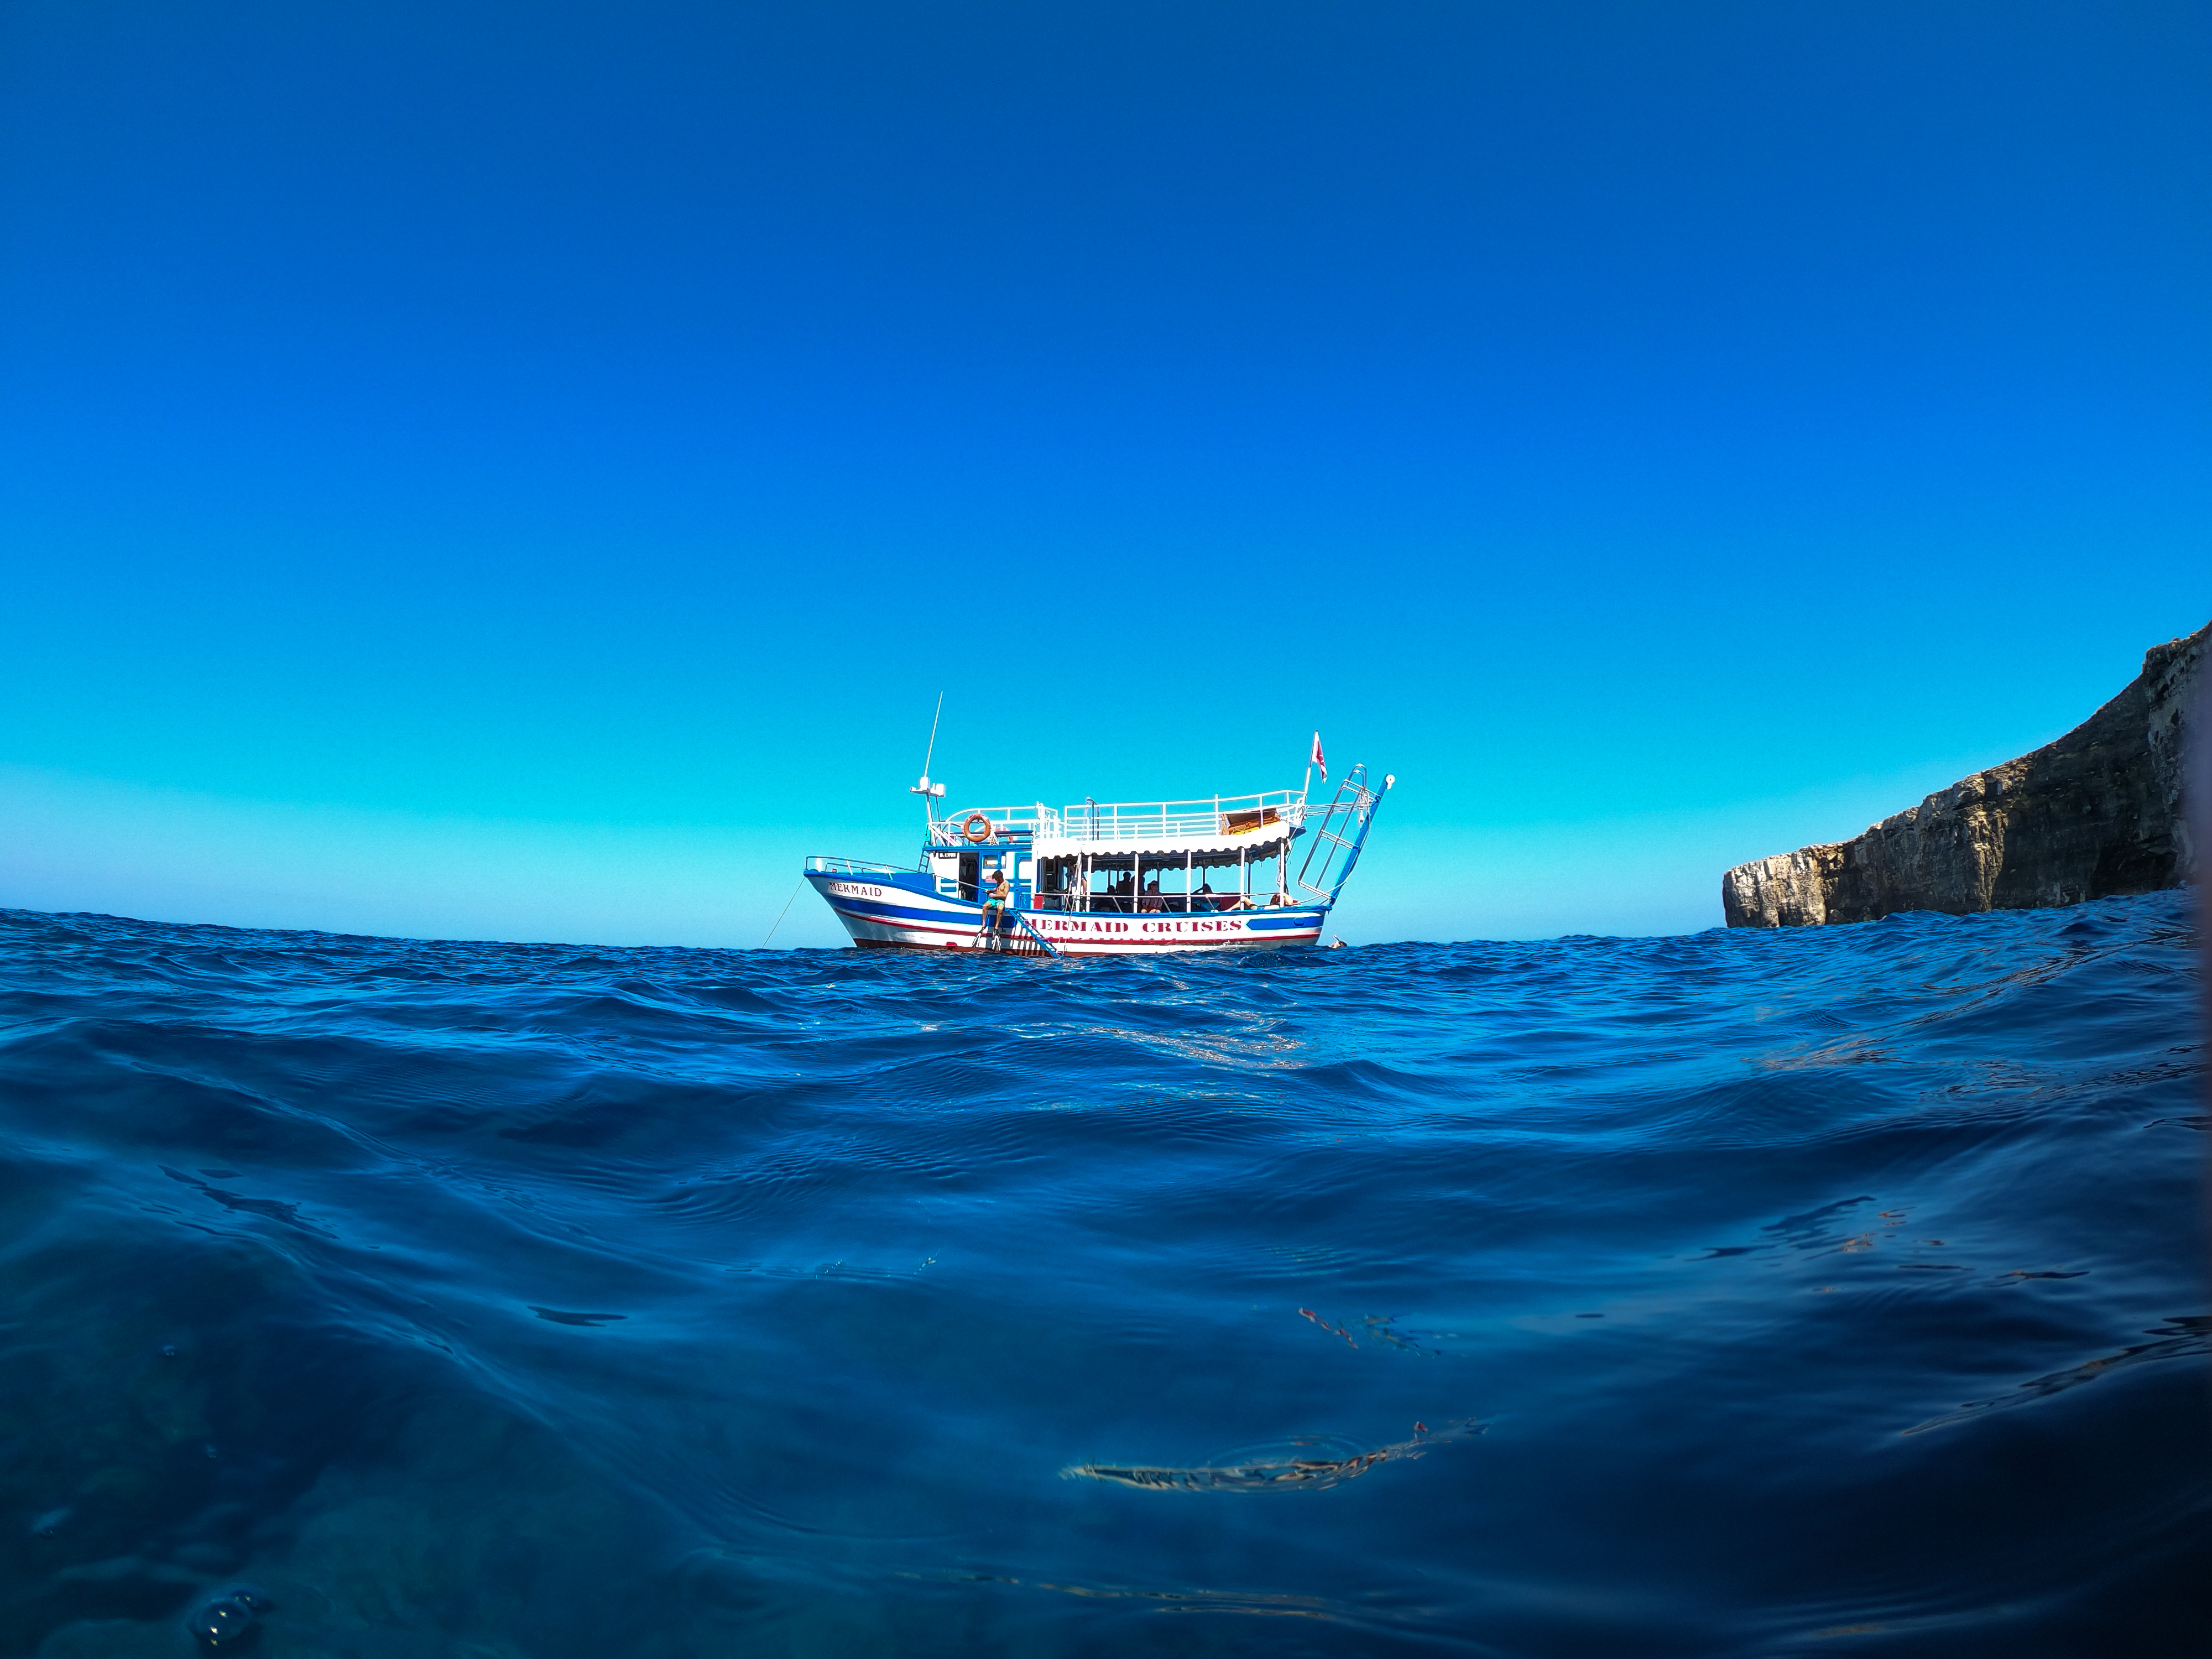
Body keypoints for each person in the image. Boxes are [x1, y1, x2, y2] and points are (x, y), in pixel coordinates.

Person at [981, 864, 1012, 937]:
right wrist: (990, 890)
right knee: (985, 906)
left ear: (1000, 877)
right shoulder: (999, 882)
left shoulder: (1006, 884)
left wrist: (993, 895)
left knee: (1000, 909)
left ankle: (996, 927)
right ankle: (984, 924)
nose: (996, 880)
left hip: (1001, 900)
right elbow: (997, 889)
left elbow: (1004, 895)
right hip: (994, 900)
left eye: (996, 879)